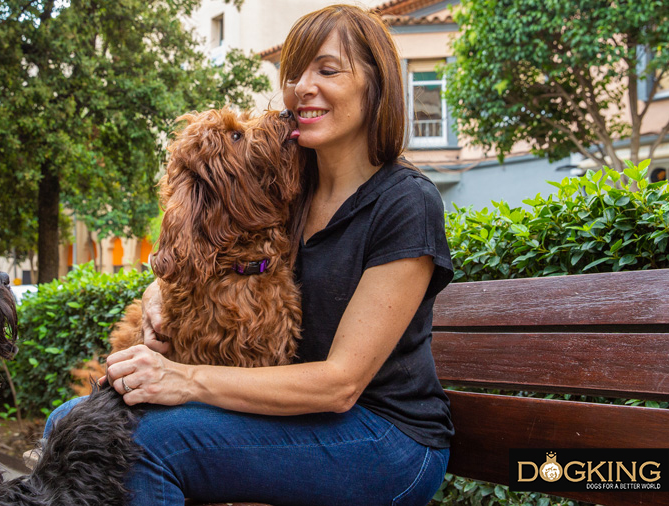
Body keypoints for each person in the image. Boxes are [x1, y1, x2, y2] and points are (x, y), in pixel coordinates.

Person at [45, 5, 454, 505]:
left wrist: (185, 379)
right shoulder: (286, 189)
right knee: (66, 422)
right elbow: (211, 249)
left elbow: (340, 384)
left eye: (327, 70)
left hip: (386, 438)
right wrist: (157, 293)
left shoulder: (406, 202)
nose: (301, 87)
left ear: (377, 87)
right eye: (294, 73)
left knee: (144, 446)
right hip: (294, 419)